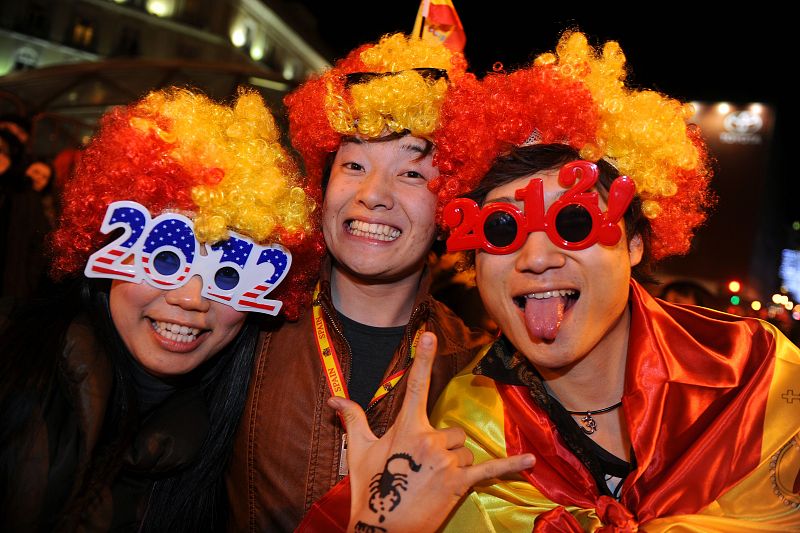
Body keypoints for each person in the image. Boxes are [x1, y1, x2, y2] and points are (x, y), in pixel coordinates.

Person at [324, 31, 800, 532]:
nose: (536, 258)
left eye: (573, 223)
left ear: (634, 242)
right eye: (501, 229)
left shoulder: (758, 375)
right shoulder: (455, 433)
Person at [0, 87, 321, 532]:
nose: (191, 298)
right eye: (166, 258)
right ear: (108, 244)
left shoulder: (241, 454)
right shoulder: (13, 371)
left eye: (227, 273)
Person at [226, 32, 494, 532]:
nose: (373, 194)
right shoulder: (245, 321)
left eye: (412, 174)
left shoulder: (479, 370)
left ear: (450, 204)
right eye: (353, 165)